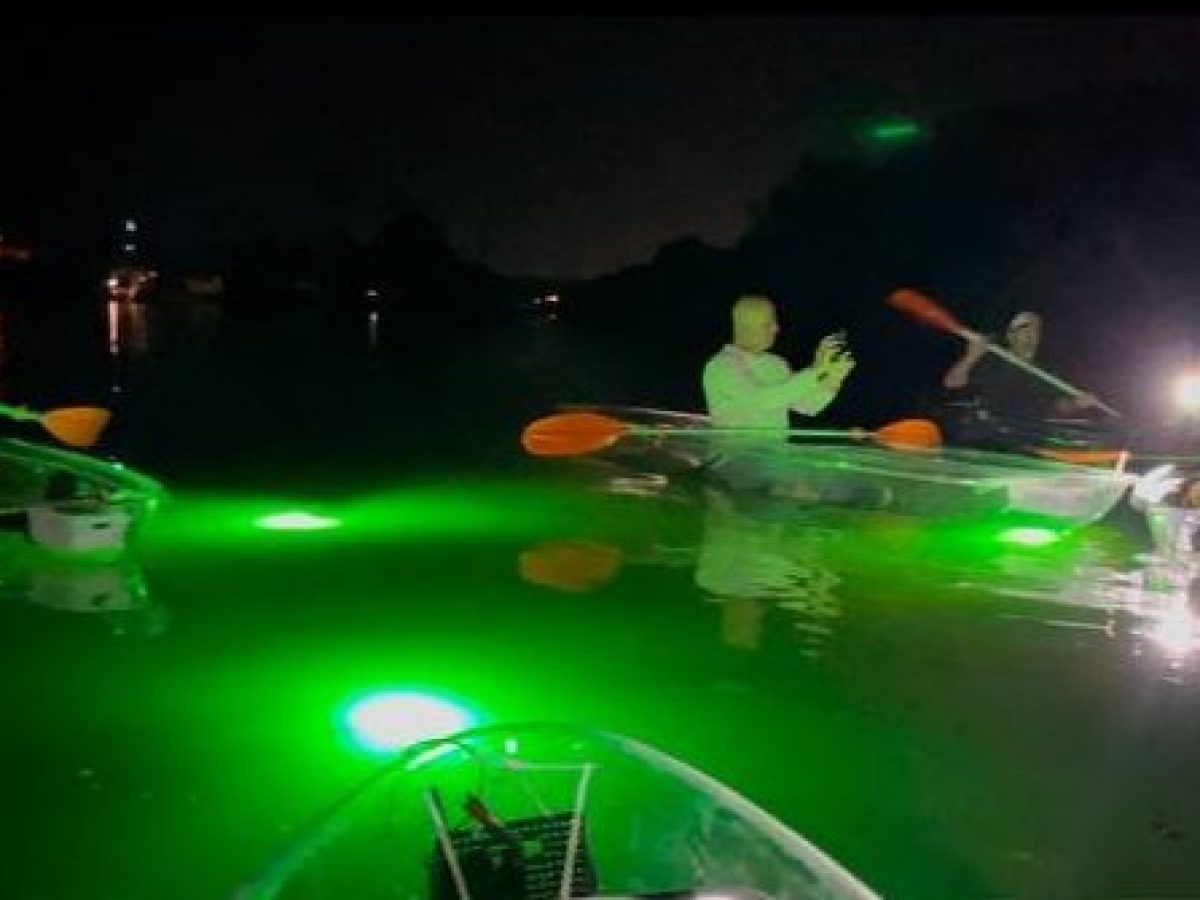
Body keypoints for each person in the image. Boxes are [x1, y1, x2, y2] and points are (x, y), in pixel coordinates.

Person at [940, 310, 1099, 447]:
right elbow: (952, 383)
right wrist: (971, 357)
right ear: (1010, 335)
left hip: (1029, 440)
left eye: (1037, 329)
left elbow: (1059, 407)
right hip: (990, 436)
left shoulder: (1047, 371)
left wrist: (1077, 404)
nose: (1032, 333)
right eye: (1025, 327)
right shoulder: (992, 360)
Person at [702, 295, 855, 432]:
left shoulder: (777, 364)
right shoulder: (719, 367)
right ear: (745, 326)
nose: (776, 328)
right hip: (737, 460)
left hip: (776, 456)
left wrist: (832, 378)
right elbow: (760, 402)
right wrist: (815, 371)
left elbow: (809, 406)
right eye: (767, 324)